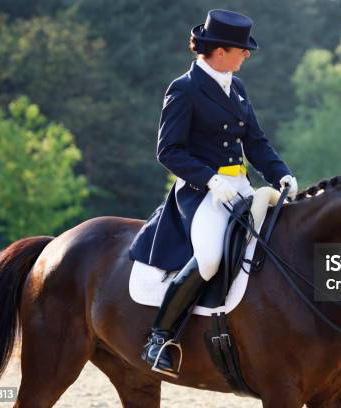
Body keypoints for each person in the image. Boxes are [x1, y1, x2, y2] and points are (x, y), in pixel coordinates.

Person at [130, 9, 298, 378]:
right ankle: (159, 338)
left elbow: (255, 141)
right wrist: (208, 179)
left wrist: (281, 173)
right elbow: (168, 151)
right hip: (202, 192)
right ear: (220, 51)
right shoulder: (184, 88)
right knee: (209, 259)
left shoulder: (236, 88)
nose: (247, 54)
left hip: (241, 187)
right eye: (242, 48)